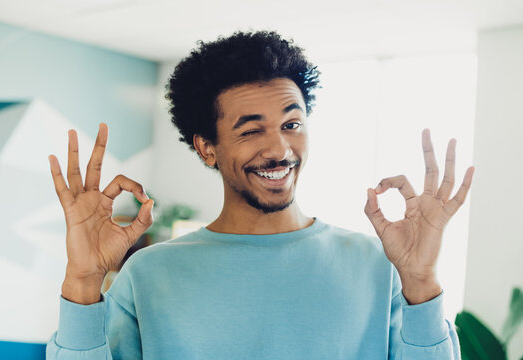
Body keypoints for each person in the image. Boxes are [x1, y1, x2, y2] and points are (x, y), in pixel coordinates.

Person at [46, 31, 474, 359]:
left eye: (292, 124)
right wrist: (82, 279)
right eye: (251, 131)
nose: (279, 150)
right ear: (206, 147)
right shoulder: (149, 275)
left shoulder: (377, 266)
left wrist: (421, 281)